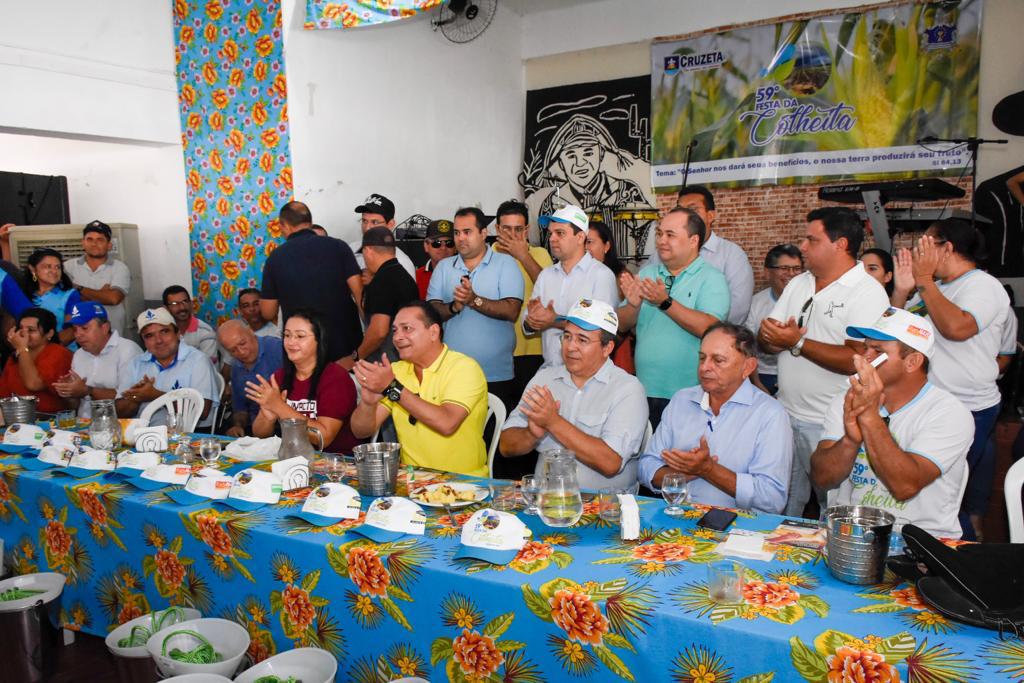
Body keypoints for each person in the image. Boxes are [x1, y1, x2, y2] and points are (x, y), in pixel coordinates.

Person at [759, 207, 890, 517]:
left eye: (811, 240)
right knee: (785, 504)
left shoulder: (867, 292)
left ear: (840, 244)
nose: (803, 247)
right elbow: (770, 340)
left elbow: (859, 359)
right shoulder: (800, 283)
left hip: (830, 423)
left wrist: (796, 342)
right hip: (786, 413)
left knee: (831, 507)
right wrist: (768, 335)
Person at [892, 218, 1011, 540]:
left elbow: (957, 329)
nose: (917, 254)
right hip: (928, 401)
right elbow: (895, 332)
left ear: (947, 248)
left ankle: (962, 564)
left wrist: (923, 280)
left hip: (968, 406)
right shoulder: (935, 287)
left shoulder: (983, 286)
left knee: (946, 493)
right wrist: (902, 292)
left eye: (925, 246)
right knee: (927, 492)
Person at [811, 308, 972, 539]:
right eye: (865, 347)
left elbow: (904, 486)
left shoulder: (949, 412)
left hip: (919, 541)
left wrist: (868, 415)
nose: (863, 357)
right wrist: (850, 441)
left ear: (912, 362)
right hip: (848, 535)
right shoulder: (845, 399)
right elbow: (822, 478)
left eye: (877, 350)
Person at [638, 322, 792, 514]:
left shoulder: (770, 414)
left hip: (739, 529)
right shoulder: (682, 400)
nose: (705, 367)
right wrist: (683, 474)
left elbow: (772, 498)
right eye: (702, 358)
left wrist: (709, 470)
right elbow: (646, 467)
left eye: (718, 360)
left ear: (748, 367)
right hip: (677, 521)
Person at [500, 298, 648, 489]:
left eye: (582, 340)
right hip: (546, 500)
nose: (570, 346)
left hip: (604, 509)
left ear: (607, 348)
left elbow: (611, 462)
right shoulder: (545, 378)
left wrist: (553, 422)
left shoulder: (627, 389)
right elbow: (505, 446)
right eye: (567, 336)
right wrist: (530, 434)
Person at [618, 207, 730, 429]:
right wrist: (632, 306)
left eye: (670, 235)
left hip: (691, 393)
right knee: (647, 459)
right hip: (643, 389)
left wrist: (665, 302)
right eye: (659, 234)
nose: (661, 241)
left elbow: (710, 328)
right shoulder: (648, 274)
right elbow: (621, 324)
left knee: (680, 459)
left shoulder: (712, 278)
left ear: (693, 240)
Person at [350, 301, 489, 476]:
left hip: (464, 484)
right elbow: (360, 430)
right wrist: (368, 404)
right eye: (395, 330)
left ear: (433, 332)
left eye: (407, 328)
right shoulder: (397, 371)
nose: (397, 337)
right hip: (412, 483)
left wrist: (393, 388)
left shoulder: (464, 368)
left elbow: (447, 423)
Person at [428, 207, 524, 408]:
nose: (461, 238)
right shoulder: (444, 267)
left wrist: (474, 300)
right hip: (452, 373)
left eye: (467, 232)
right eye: (457, 233)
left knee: (493, 437)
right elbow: (431, 313)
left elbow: (512, 310)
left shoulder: (506, 264)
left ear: (483, 233)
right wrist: (454, 307)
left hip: (496, 375)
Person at [261, 201, 364, 366]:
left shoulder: (276, 259)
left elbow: (267, 311)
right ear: (309, 221)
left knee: (311, 391)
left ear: (284, 225)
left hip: (304, 350)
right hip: (345, 345)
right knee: (349, 390)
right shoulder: (339, 247)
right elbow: (359, 293)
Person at [246, 310, 359, 453]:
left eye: (300, 336)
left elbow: (324, 438)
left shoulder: (336, 377)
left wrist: (279, 407)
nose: (291, 342)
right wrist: (267, 415)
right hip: (292, 459)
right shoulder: (279, 377)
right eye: (287, 335)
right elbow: (259, 434)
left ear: (319, 340)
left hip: (336, 464)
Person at [523, 204, 618, 367]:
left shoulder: (601, 275)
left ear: (580, 237)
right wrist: (532, 320)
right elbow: (526, 327)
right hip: (551, 371)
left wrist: (554, 320)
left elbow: (603, 330)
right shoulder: (546, 276)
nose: (552, 238)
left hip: (589, 375)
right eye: (551, 233)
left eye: (560, 233)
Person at [646, 185, 754, 325]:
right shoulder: (660, 254)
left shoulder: (732, 255)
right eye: (680, 209)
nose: (686, 215)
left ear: (711, 216)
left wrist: (700, 328)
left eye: (692, 209)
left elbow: (738, 310)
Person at [492, 200, 553, 409]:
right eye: (506, 229)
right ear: (497, 229)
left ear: (527, 230)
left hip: (532, 350)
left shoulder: (540, 254)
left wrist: (523, 256)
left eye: (518, 229)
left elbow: (549, 289)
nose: (512, 235)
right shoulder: (486, 256)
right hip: (497, 352)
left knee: (529, 415)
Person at [116, 308, 218, 426]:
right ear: (144, 342)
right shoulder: (136, 363)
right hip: (143, 435)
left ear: (178, 334)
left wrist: (155, 396)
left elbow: (202, 411)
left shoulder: (198, 360)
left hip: (189, 435)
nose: (159, 340)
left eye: (164, 331)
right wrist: (137, 397)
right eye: (149, 336)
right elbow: (119, 413)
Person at [53, 303, 142, 419]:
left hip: (117, 426)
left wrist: (87, 390)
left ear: (105, 328)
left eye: (85, 328)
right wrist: (69, 392)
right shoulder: (79, 355)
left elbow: (128, 401)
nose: (78, 335)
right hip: (82, 425)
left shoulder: (127, 350)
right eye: (75, 330)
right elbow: (74, 406)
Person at [744, 244, 803, 395]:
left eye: (796, 269)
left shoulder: (810, 301)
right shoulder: (755, 303)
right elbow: (748, 348)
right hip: (764, 375)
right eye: (784, 268)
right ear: (768, 272)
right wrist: (756, 383)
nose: (791, 274)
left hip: (801, 375)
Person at [358, 227, 419, 362]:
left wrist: (357, 356)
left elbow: (379, 332)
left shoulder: (382, 281)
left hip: (386, 363)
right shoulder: (404, 276)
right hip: (406, 359)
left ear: (367, 251)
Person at [62, 221, 132, 336]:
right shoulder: (67, 267)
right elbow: (64, 299)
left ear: (109, 245)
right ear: (83, 243)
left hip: (112, 335)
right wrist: (102, 294)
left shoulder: (120, 268)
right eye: (89, 239)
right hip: (77, 336)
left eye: (100, 240)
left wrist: (77, 289)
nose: (94, 244)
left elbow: (113, 298)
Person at [217, 319, 283, 438]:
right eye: (233, 350)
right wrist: (238, 426)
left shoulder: (277, 349)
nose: (241, 352)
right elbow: (241, 410)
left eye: (242, 343)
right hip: (255, 431)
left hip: (284, 426)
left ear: (250, 331)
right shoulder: (236, 368)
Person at [0, 307, 72, 413]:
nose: (24, 335)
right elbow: (3, 396)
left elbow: (33, 384)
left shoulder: (58, 352)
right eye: (21, 329)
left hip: (51, 420)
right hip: (17, 419)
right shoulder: (14, 356)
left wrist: (21, 348)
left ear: (49, 333)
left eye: (31, 330)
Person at [21, 248, 81, 346]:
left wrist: (43, 349)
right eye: (48, 266)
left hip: (60, 351)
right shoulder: (23, 293)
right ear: (33, 269)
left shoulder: (70, 295)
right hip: (28, 351)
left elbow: (72, 330)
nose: (54, 271)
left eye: (58, 267)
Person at [348, 193, 416, 278]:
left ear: (390, 224)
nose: (367, 228)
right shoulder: (351, 249)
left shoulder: (402, 263)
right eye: (364, 221)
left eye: (375, 222)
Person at [163, 285, 218, 365]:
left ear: (191, 304)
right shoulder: (162, 331)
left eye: (185, 301)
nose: (181, 307)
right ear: (166, 308)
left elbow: (209, 367)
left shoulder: (205, 332)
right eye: (174, 303)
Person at [416, 219, 456, 299]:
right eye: (437, 243)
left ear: (456, 247)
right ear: (426, 246)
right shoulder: (416, 277)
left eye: (449, 243)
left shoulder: (466, 275)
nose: (443, 248)